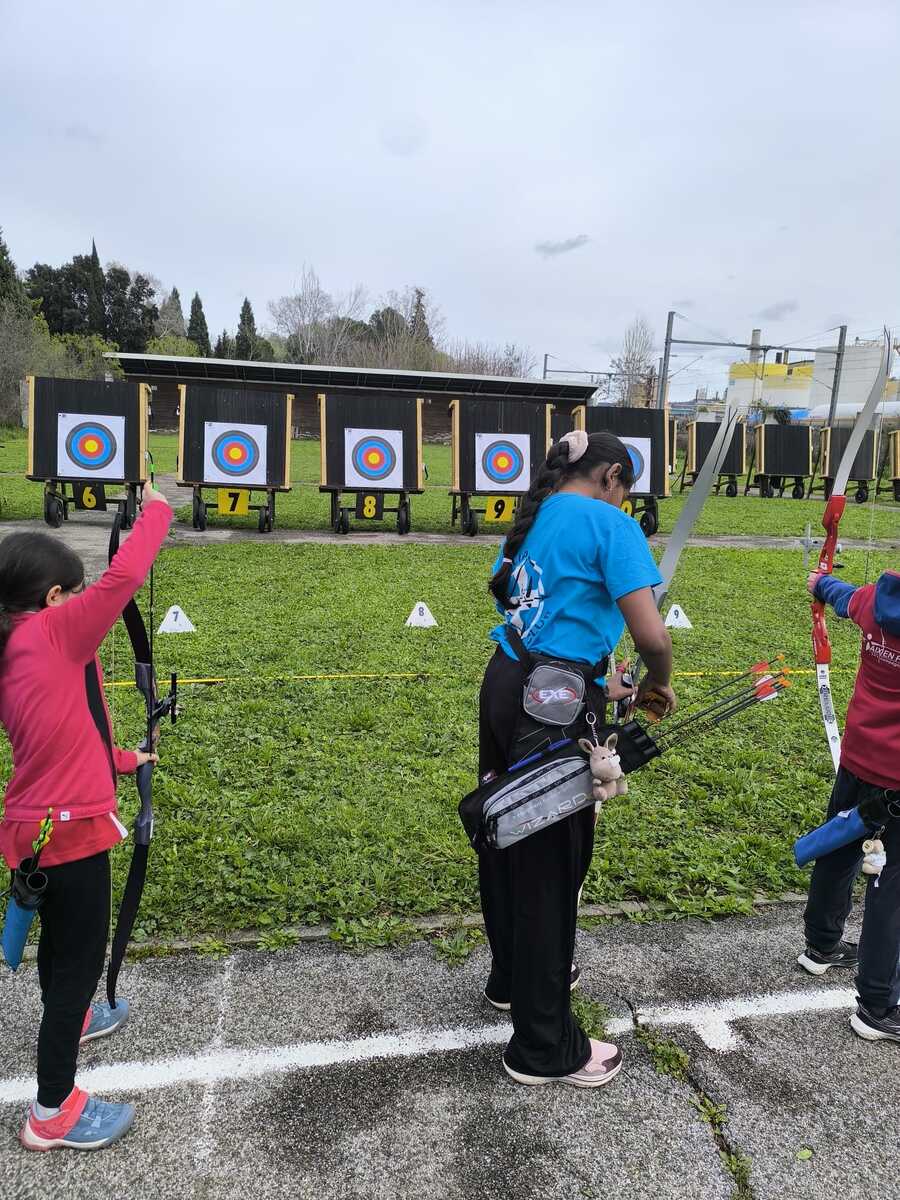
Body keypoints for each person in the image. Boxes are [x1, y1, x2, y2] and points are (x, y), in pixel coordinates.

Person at [479, 429, 675, 1087]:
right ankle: (542, 1048)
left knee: (506, 832)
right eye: (627, 489)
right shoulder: (609, 523)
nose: (626, 501)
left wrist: (598, 683)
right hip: (552, 708)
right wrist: (657, 681)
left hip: (509, 682)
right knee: (549, 864)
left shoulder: (538, 514)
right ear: (612, 476)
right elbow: (652, 635)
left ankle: (512, 977)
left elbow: (537, 615)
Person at [0, 483, 173, 1151]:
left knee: (62, 950)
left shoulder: (14, 644)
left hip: (35, 827)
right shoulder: (57, 630)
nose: (81, 603)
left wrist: (122, 759)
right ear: (51, 598)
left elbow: (55, 732)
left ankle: (71, 1022)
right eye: (71, 593)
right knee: (75, 969)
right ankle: (52, 1113)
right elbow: (124, 578)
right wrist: (157, 510)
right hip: (69, 833)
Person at [799, 567, 900, 1041]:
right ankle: (878, 1005)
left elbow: (841, 595)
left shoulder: (877, 597)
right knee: (892, 889)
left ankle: (821, 947)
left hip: (858, 757)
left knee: (839, 849)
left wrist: (820, 581)